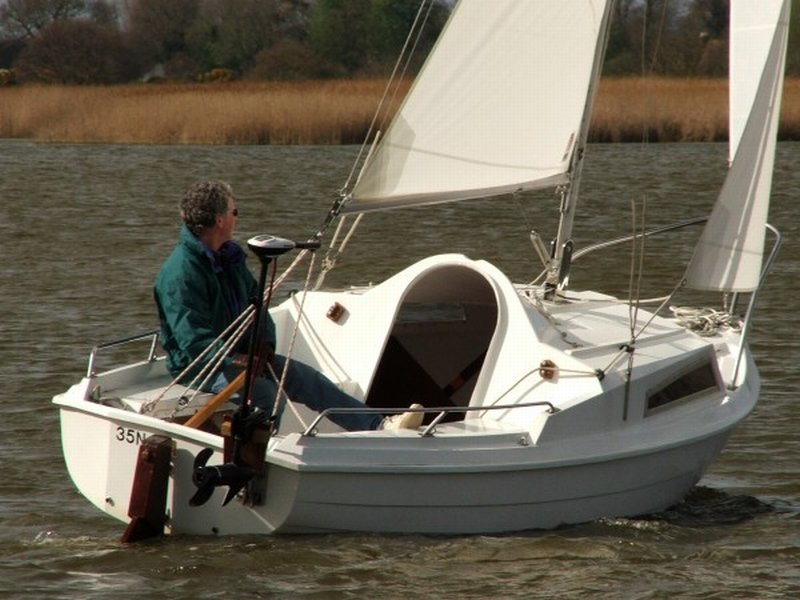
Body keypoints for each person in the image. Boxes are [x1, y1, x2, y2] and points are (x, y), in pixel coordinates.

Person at [154, 180, 422, 431]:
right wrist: (235, 359)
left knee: (306, 378)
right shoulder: (180, 275)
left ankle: (378, 426)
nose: (237, 218)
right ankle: (257, 455)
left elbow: (257, 306)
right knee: (268, 396)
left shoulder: (229, 259)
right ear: (220, 220)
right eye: (235, 212)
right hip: (201, 367)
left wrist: (266, 344)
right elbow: (193, 342)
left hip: (239, 355)